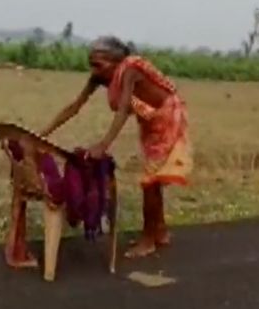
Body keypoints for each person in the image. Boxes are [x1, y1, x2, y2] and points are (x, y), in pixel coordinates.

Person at [38, 36, 192, 258]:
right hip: (149, 120)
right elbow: (74, 106)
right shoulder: (100, 77)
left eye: (98, 65)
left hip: (167, 117)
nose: (94, 70)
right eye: (90, 64)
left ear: (115, 61)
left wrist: (104, 144)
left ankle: (148, 240)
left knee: (150, 181)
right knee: (154, 179)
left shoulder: (129, 69)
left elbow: (122, 110)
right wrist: (43, 133)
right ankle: (160, 232)